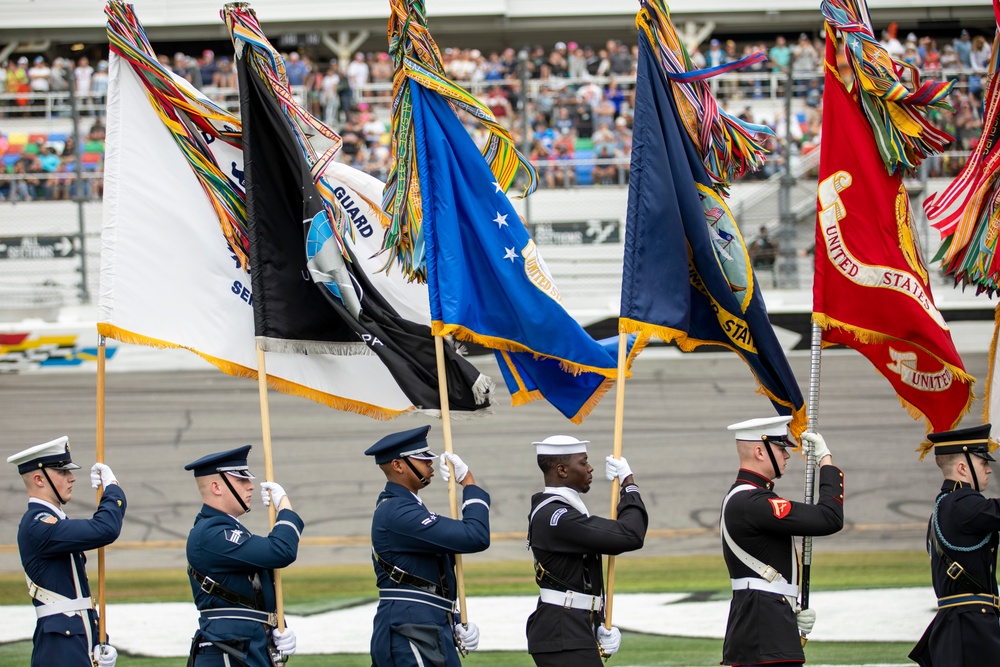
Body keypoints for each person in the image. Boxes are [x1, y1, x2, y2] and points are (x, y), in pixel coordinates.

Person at [721, 416, 844, 666]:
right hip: (765, 631)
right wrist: (825, 461)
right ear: (759, 451)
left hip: (764, 622)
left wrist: (788, 606)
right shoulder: (754, 503)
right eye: (780, 448)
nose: (787, 455)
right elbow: (829, 518)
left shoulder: (745, 498)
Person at [365, 425, 489, 667]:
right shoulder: (397, 512)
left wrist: (452, 617)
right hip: (412, 627)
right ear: (398, 466)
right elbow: (475, 536)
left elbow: (427, 578)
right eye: (422, 459)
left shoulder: (405, 508)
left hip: (423, 623)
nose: (430, 464)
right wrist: (469, 484)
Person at [525, 435, 648, 666]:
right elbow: (630, 535)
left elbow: (578, 577)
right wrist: (629, 484)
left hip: (572, 626)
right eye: (583, 462)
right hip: (563, 632)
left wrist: (597, 622)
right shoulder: (557, 517)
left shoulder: (560, 510)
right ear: (562, 470)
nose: (590, 468)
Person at [8, 436, 126, 667]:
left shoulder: (54, 521)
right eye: (62, 472)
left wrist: (98, 640)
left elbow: (76, 599)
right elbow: (105, 529)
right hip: (60, 645)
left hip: (75, 638)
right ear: (39, 479)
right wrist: (113, 490)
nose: (72, 478)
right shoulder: (38, 525)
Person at [184, 445, 301, 666]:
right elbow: (281, 551)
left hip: (246, 646)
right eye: (241, 480)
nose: (251, 487)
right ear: (217, 487)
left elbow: (254, 591)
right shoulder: (212, 533)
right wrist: (285, 508)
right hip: (229, 649)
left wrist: (276, 624)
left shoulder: (227, 530)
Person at [910, 424, 1000, 666]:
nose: (990, 470)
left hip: (960, 624)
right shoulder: (963, 504)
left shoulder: (946, 504)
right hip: (970, 629)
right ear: (962, 468)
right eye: (983, 463)